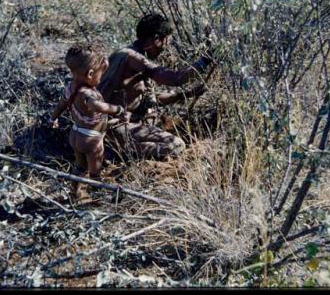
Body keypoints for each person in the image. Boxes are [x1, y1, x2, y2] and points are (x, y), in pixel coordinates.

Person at [98, 13, 213, 159]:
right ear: (156, 39)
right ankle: (120, 150)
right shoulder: (132, 58)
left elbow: (152, 99)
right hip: (115, 127)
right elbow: (176, 78)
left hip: (131, 124)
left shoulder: (139, 57)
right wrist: (205, 60)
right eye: (165, 41)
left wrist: (189, 93)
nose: (165, 47)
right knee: (176, 146)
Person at [51, 43, 128, 201]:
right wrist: (118, 110)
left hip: (76, 132)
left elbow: (61, 105)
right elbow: (95, 105)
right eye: (101, 74)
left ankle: (74, 192)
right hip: (91, 138)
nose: (101, 78)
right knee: (95, 170)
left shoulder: (71, 87)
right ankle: (98, 196)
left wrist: (54, 118)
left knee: (80, 166)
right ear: (90, 74)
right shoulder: (87, 94)